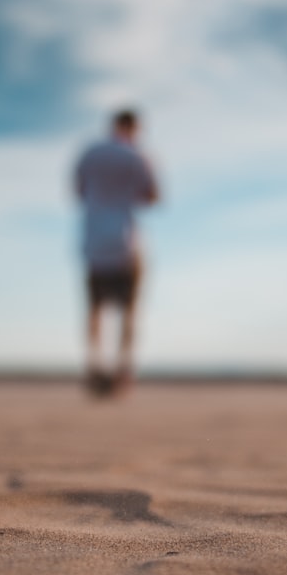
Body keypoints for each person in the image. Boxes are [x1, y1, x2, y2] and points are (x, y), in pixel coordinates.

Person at [74, 109, 160, 397]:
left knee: (94, 309)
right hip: (125, 241)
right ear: (134, 128)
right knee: (129, 311)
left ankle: (94, 365)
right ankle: (123, 369)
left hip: (93, 239)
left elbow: (78, 191)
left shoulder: (89, 153)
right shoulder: (138, 156)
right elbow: (152, 197)